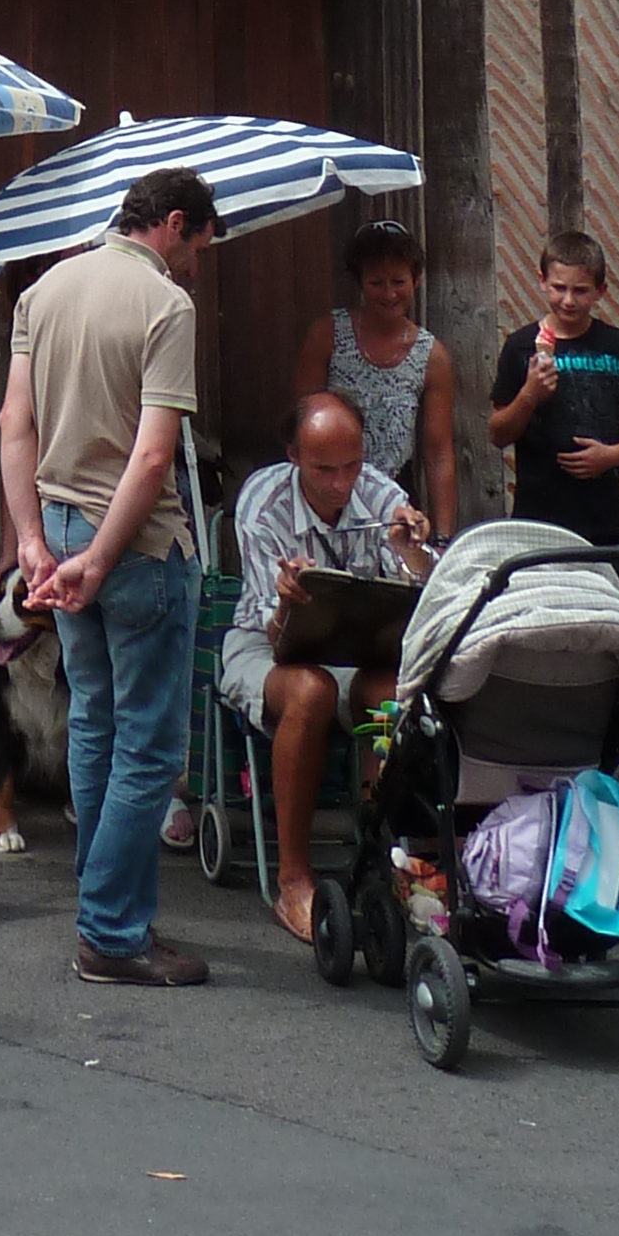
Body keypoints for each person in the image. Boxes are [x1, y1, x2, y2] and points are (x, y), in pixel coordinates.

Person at [0, 164, 223, 990]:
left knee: (93, 717)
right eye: (197, 242)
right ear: (172, 223)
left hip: (55, 526)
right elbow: (155, 452)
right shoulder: (167, 305)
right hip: (133, 541)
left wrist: (31, 538)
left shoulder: (46, 288)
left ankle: (104, 904)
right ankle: (112, 929)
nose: (196, 261)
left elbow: (12, 422)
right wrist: (102, 555)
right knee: (151, 741)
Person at [221, 392, 436, 942]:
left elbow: (424, 597)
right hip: (265, 646)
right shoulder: (263, 503)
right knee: (309, 692)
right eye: (324, 470)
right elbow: (275, 631)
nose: (342, 484)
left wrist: (411, 554)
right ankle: (294, 877)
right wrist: (290, 598)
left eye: (352, 466)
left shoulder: (384, 496)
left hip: (356, 647)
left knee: (393, 693)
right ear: (293, 456)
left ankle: (384, 856)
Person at [290, 217, 457, 538]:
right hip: (330, 494)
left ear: (416, 279)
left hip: (395, 501)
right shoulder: (327, 334)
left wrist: (443, 537)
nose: (389, 293)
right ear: (360, 283)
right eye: (377, 283)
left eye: (398, 281)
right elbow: (302, 423)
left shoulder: (431, 355)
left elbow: (438, 451)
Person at [489, 232, 619, 545]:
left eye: (581, 291)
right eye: (559, 288)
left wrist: (611, 455)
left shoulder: (617, 345)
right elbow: (498, 434)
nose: (568, 300)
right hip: (539, 520)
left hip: (606, 520)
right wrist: (529, 394)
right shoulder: (520, 346)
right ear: (542, 281)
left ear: (600, 291)